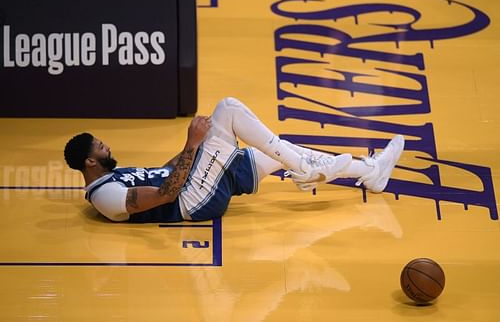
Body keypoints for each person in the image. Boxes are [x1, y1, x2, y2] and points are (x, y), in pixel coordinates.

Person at [64, 97, 405, 223]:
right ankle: (306, 171)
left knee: (279, 151)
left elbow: (167, 171)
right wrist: (192, 143)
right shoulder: (105, 197)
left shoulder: (114, 175)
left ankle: (371, 172)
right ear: (89, 163)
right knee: (227, 109)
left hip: (198, 181)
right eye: (100, 147)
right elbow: (167, 193)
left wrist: (193, 150)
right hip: (192, 201)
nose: (105, 146)